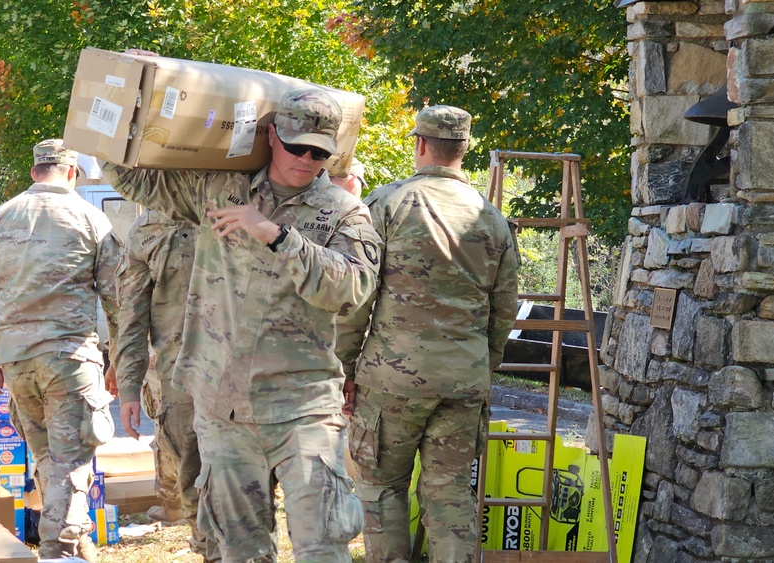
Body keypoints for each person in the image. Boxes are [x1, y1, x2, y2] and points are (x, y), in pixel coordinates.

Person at [102, 85, 380, 561]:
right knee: (239, 550)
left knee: (323, 545)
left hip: (303, 408)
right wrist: (131, 90)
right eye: (297, 146)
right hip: (223, 409)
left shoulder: (343, 211)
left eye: (319, 152)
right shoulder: (219, 189)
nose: (306, 159)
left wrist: (275, 235)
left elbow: (352, 291)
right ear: (272, 135)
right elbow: (133, 178)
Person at [337, 105, 519, 562]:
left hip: (391, 382)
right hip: (463, 383)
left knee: (381, 489)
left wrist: (344, 367)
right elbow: (504, 309)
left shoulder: (388, 203)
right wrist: (483, 368)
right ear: (464, 149)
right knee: (450, 495)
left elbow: (357, 296)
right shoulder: (492, 218)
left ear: (420, 144)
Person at [0, 139, 121, 562]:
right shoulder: (91, 218)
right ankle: (60, 551)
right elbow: (116, 297)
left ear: (36, 172)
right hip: (69, 357)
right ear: (72, 173)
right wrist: (121, 359)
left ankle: (79, 545)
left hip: (16, 359)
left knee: (49, 459)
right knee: (70, 463)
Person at [106, 208, 212, 557]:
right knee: (193, 476)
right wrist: (129, 387)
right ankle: (208, 549)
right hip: (183, 377)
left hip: (249, 372)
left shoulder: (236, 205)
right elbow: (132, 318)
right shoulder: (147, 230)